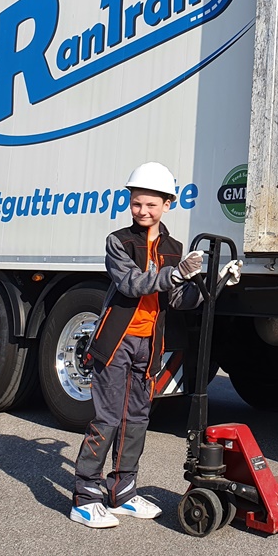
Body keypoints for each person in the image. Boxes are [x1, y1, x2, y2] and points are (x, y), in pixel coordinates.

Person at [70, 162, 240, 528]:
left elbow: (179, 299)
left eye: (150, 204)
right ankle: (85, 496)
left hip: (149, 345)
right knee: (107, 418)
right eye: (136, 204)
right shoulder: (119, 242)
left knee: (137, 419)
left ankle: (122, 492)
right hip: (115, 344)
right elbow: (132, 283)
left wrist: (219, 280)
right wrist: (174, 274)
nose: (142, 211)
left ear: (167, 205)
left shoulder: (175, 247)